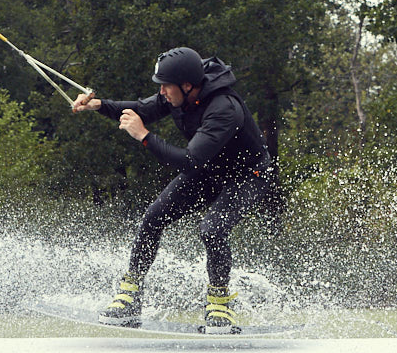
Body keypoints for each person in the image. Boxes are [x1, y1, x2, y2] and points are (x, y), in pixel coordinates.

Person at [71, 47, 272, 331]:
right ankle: (130, 294)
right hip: (208, 169)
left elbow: (188, 161)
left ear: (187, 85)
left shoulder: (224, 108)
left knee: (212, 229)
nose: (162, 92)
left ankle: (219, 304)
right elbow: (141, 109)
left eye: (165, 86)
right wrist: (99, 105)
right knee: (153, 217)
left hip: (245, 176)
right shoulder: (179, 94)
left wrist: (142, 135)